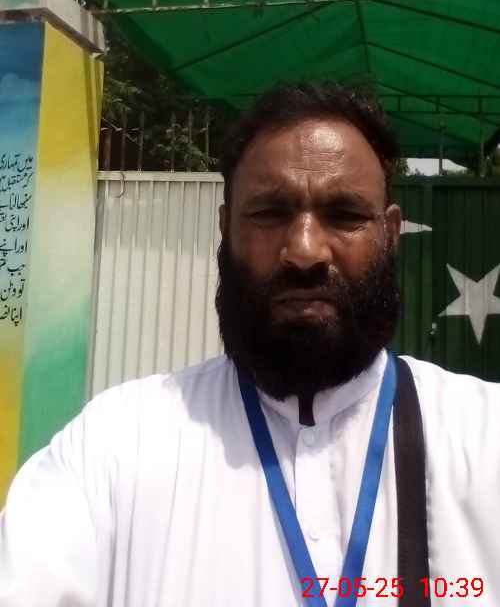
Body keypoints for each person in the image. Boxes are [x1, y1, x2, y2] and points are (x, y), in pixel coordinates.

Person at [0, 81, 498, 607]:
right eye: (270, 213)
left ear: (390, 233)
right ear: (225, 227)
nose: (304, 250)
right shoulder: (114, 447)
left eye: (345, 215)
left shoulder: (484, 440)